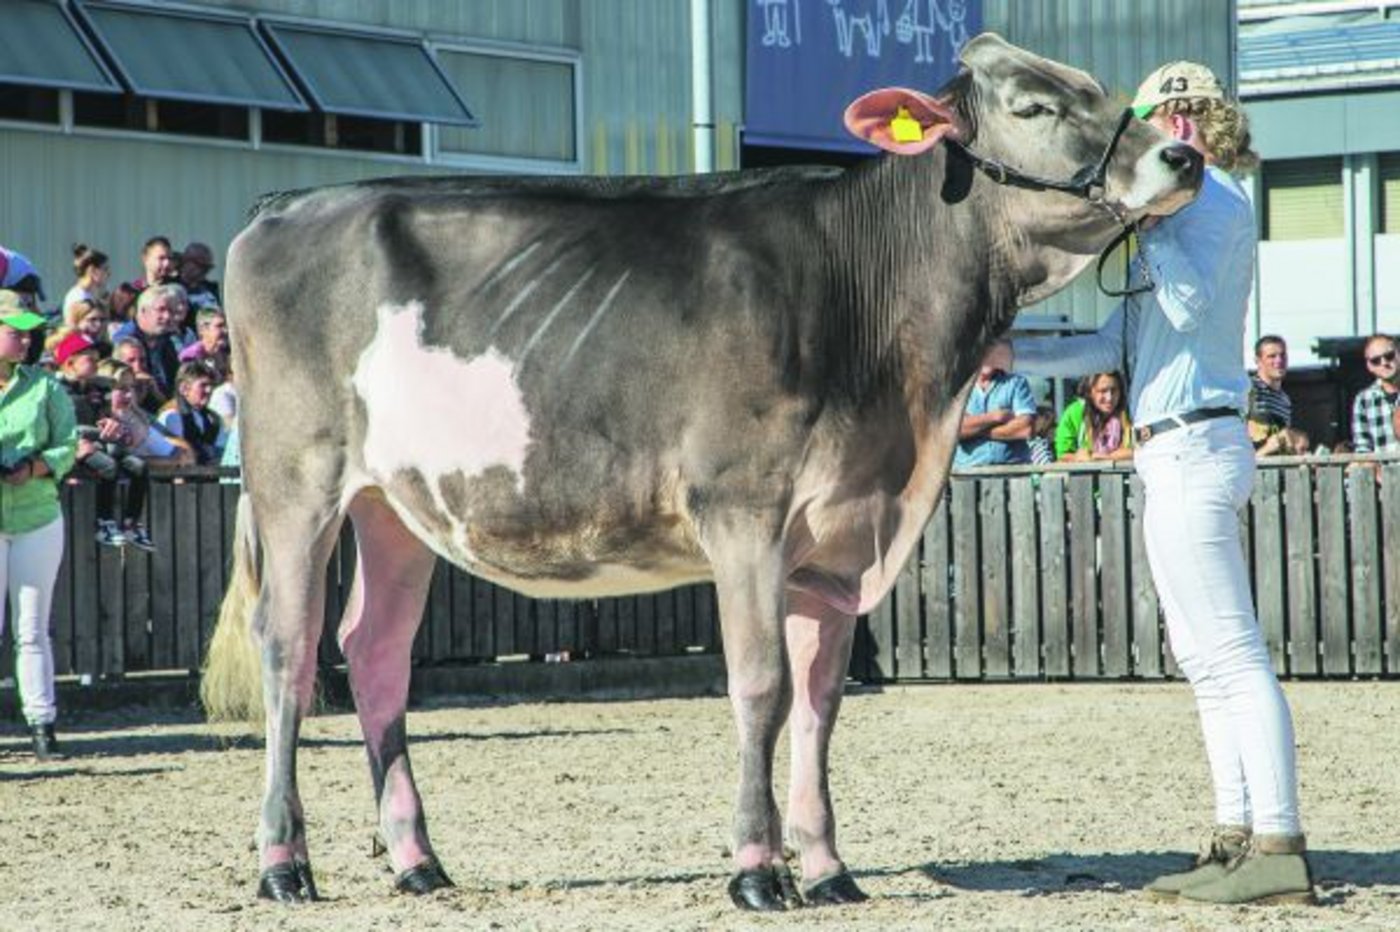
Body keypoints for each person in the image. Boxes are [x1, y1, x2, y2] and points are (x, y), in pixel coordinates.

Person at [994, 61, 1312, 905]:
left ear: (1210, 126)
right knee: (1201, 658)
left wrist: (1150, 218)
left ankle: (1280, 842)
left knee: (1234, 653)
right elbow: (1107, 348)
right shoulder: (1168, 223)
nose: (1168, 134)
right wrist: (1006, 354)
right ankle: (1235, 835)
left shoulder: (1216, 209)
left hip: (1200, 444)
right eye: (1157, 119)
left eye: (1183, 117)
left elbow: (1186, 306)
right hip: (1168, 449)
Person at [0, 291, 77, 760]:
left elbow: (67, 444)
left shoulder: (46, 387)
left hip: (36, 515)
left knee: (32, 628)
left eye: (28, 332)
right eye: (15, 332)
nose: (26, 339)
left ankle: (42, 724)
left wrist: (35, 467)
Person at [55, 332, 154, 551]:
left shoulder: (100, 388)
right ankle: (104, 522)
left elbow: (108, 420)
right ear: (70, 363)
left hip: (99, 443)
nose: (96, 364)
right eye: (89, 358)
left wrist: (116, 430)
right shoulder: (56, 389)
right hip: (70, 448)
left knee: (139, 466)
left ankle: (131, 524)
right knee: (108, 466)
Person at [95, 359, 192, 468]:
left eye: (131, 387)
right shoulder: (96, 423)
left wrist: (176, 459)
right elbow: (122, 463)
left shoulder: (143, 416)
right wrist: (171, 462)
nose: (129, 395)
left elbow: (184, 451)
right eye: (121, 388)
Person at [953, 359, 1036, 467]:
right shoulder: (956, 388)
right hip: (967, 474)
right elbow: (954, 430)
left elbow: (1025, 429)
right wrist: (996, 417)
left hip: (1013, 473)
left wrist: (975, 429)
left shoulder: (1016, 383)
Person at [113, 283, 183, 402]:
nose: (167, 316)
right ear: (143, 311)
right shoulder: (125, 340)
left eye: (170, 311)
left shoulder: (165, 338)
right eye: (161, 310)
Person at [1247, 336, 1308, 458]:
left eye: (1283, 355)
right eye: (1272, 356)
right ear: (1258, 361)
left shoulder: (1284, 400)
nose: (1279, 361)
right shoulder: (1248, 389)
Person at [1054, 371, 1135, 462]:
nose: (1109, 398)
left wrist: (1106, 457)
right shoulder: (1074, 413)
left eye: (1114, 390)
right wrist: (1077, 457)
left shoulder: (1131, 413)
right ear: (1090, 391)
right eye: (1103, 391)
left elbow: (1139, 449)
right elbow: (1063, 455)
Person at [157, 360, 226, 465]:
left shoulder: (214, 419)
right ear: (184, 388)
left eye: (211, 385)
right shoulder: (171, 416)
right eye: (203, 385)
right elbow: (173, 457)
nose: (209, 390)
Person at [1350, 333, 1399, 455]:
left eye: (1389, 356)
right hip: (1383, 472)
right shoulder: (1363, 400)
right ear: (1369, 366)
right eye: (1376, 360)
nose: (1384, 363)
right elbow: (1363, 448)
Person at [62, 244, 111, 325]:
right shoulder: (77, 297)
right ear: (92, 270)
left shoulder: (90, 295)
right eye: (105, 269)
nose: (109, 274)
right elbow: (71, 331)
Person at [177, 306, 229, 379]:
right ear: (203, 330)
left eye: (226, 326)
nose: (226, 331)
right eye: (219, 326)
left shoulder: (227, 352)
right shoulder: (190, 357)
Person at [178, 241, 220, 311]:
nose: (205, 272)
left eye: (208, 268)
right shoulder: (172, 287)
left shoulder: (212, 289)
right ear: (185, 261)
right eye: (201, 266)